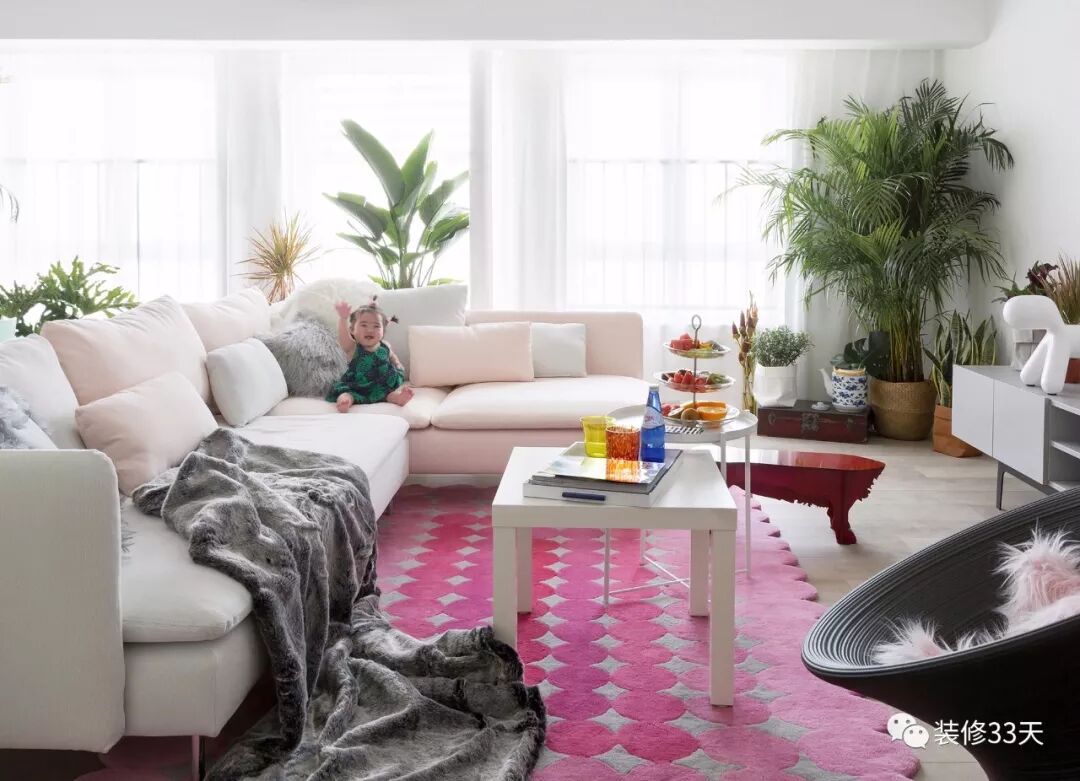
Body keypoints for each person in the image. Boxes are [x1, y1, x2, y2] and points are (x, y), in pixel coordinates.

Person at [327, 297, 414, 412]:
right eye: (364, 325)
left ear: (383, 331)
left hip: (381, 386)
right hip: (357, 386)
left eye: (376, 326)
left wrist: (398, 364)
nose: (370, 330)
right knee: (347, 393)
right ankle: (345, 401)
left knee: (389, 394)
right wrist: (343, 319)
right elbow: (343, 337)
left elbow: (392, 356)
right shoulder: (353, 347)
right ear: (352, 330)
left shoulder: (385, 346)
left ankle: (399, 398)